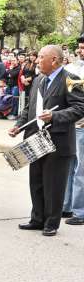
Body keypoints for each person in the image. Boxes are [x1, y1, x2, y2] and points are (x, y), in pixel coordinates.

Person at [9, 45, 84, 236]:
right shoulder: (38, 80)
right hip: (35, 138)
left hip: (58, 141)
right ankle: (37, 219)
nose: (37, 60)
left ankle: (52, 223)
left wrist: (55, 116)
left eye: (41, 57)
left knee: (54, 184)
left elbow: (79, 108)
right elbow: (29, 108)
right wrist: (19, 125)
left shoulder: (72, 79)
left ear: (54, 60)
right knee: (36, 182)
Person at [62, 35, 84, 226]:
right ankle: (66, 206)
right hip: (73, 124)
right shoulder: (73, 69)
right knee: (69, 166)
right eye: (80, 47)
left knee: (81, 170)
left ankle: (80, 211)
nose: (80, 50)